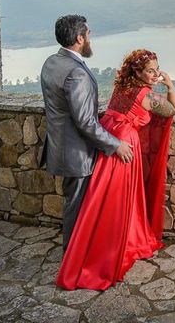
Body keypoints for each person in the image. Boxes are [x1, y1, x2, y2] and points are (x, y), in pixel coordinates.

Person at [56, 49, 175, 290]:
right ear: (138, 71)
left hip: (110, 138)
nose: (155, 74)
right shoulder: (146, 94)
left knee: (103, 198)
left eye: (157, 69)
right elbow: (171, 110)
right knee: (120, 199)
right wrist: (170, 86)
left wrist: (158, 99)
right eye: (150, 70)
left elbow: (134, 109)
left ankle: (93, 247)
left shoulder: (122, 87)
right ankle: (112, 249)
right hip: (124, 144)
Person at [40, 15, 133, 251]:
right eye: (89, 33)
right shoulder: (76, 72)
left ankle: (78, 253)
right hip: (76, 152)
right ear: (80, 38)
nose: (91, 37)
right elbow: (85, 121)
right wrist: (115, 144)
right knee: (77, 206)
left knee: (74, 203)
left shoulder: (51, 61)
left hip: (59, 146)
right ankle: (73, 258)